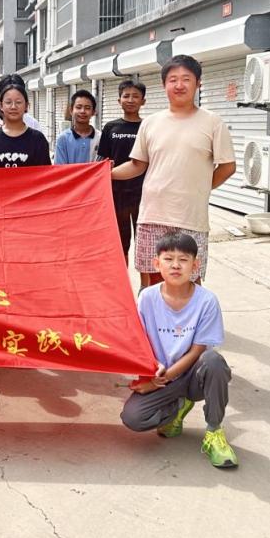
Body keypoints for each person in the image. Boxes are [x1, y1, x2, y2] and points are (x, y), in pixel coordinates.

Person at [112, 55, 236, 287]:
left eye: (186, 79)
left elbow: (228, 166)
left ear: (198, 84)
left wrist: (200, 187)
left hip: (190, 218)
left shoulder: (212, 122)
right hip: (152, 215)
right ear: (164, 85)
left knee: (189, 282)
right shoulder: (150, 123)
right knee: (151, 281)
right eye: (173, 80)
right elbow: (137, 165)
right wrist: (105, 174)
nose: (179, 85)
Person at [119, 232, 237, 469]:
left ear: (195, 265)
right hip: (161, 376)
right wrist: (152, 370)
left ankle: (214, 431)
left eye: (183, 260)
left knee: (214, 361)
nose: (175, 265)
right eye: (168, 259)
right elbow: (139, 341)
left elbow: (197, 350)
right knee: (133, 418)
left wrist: (158, 382)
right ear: (156, 264)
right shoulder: (147, 298)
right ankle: (177, 408)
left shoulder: (207, 301)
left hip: (192, 375)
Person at [98, 79, 146, 269]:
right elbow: (102, 161)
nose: (130, 100)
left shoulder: (148, 127)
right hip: (116, 194)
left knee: (145, 244)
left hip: (144, 194)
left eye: (136, 96)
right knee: (120, 243)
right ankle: (123, 280)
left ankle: (146, 283)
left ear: (143, 101)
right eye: (126, 96)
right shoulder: (111, 127)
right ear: (119, 100)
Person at [0, 83, 51, 167]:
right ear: (1, 106)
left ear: (26, 106)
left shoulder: (38, 139)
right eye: (8, 102)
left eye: (18, 102)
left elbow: (45, 172)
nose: (13, 107)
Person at [54, 90, 100, 164]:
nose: (82, 111)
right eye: (78, 107)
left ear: (93, 112)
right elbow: (59, 168)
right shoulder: (63, 138)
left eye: (87, 108)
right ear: (71, 110)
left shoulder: (100, 138)